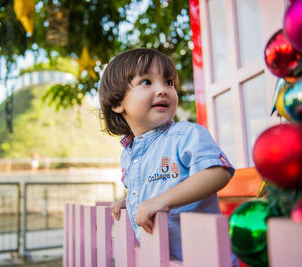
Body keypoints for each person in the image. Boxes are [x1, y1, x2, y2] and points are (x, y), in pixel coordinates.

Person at [98, 48, 238, 265]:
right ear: (117, 102)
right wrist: (130, 202)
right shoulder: (128, 154)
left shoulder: (185, 135)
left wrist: (162, 201)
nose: (163, 90)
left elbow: (218, 173)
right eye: (146, 82)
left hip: (204, 258)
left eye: (169, 82)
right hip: (160, 258)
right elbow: (150, 191)